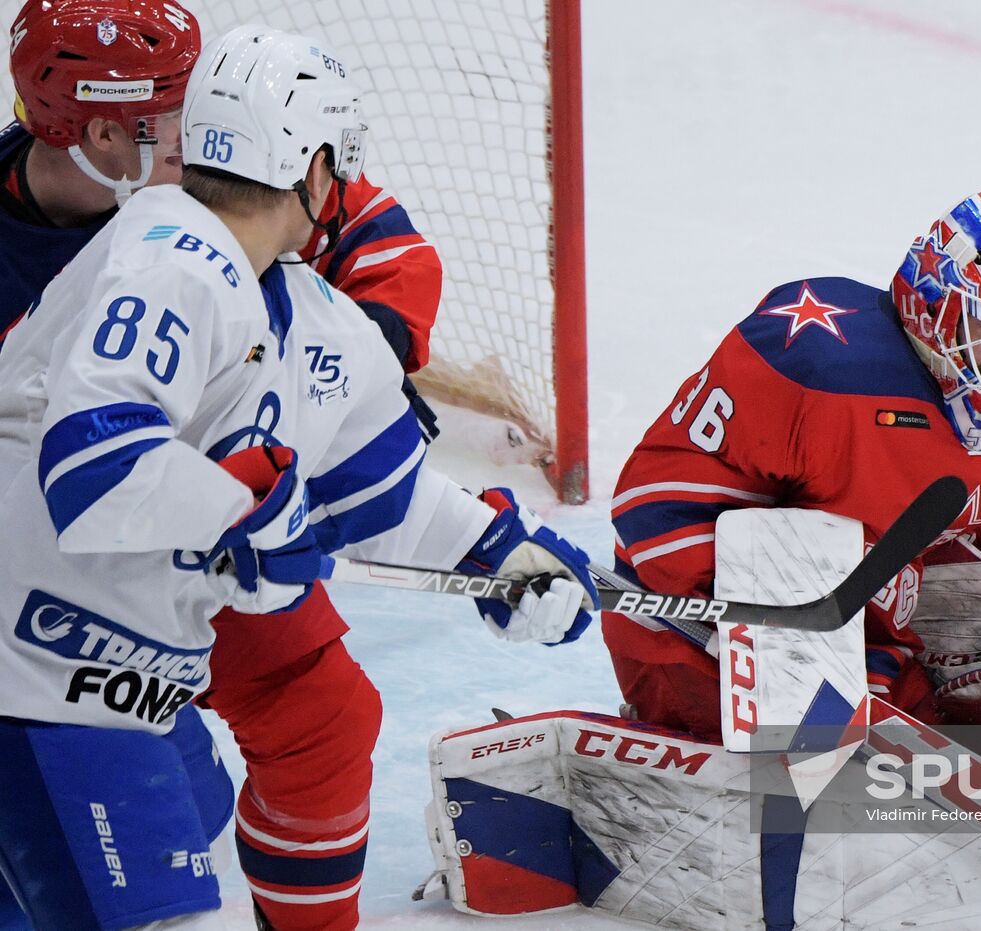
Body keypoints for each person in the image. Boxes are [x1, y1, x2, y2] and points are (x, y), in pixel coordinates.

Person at [0, 22, 597, 931]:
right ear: (314, 169)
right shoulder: (162, 256)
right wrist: (250, 514)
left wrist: (500, 553)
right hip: (33, 679)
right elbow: (94, 470)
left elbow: (383, 495)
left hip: (118, 679)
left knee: (239, 787)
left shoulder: (318, 320)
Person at [605, 187, 981, 740]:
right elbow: (655, 506)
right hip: (705, 639)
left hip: (889, 647)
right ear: (936, 308)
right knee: (812, 769)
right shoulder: (814, 363)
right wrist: (789, 643)